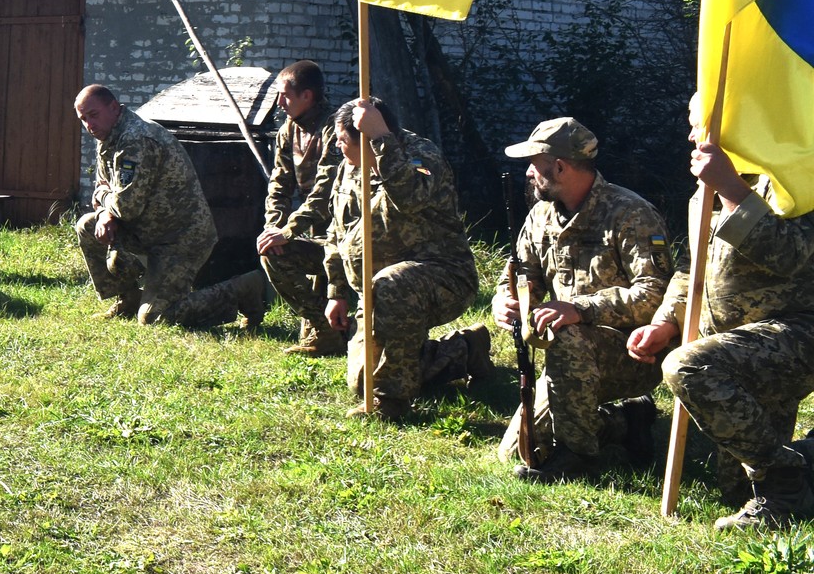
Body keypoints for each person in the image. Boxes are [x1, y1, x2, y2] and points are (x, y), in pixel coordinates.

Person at [628, 97, 814, 530]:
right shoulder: (704, 193)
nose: (692, 137)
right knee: (734, 487)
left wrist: (733, 191)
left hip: (795, 336)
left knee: (688, 366)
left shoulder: (796, 181)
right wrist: (665, 320)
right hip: (736, 344)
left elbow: (791, 257)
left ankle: (783, 479)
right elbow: (696, 271)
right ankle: (799, 469)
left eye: (701, 127)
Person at [493, 118, 671, 481]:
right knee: (515, 451)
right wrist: (506, 299)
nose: (529, 173)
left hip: (631, 353)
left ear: (559, 166)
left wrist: (579, 309)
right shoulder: (541, 215)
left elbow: (655, 292)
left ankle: (579, 457)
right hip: (568, 360)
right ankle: (626, 422)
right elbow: (520, 274)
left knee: (568, 335)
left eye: (535, 164)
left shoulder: (630, 213)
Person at [321, 96, 486, 420]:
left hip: (441, 276)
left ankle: (391, 403)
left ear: (369, 137)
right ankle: (462, 350)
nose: (338, 147)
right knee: (360, 382)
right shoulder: (349, 168)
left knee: (390, 286)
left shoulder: (421, 157)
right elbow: (336, 231)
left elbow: (408, 198)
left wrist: (381, 141)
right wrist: (337, 291)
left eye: (343, 140)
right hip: (374, 292)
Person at [74, 84, 267, 327]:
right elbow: (103, 186)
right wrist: (103, 213)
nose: (89, 125)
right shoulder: (109, 136)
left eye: (93, 115)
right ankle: (129, 298)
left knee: (156, 318)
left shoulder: (135, 140)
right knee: (87, 225)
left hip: (178, 239)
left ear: (114, 107)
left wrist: (104, 205)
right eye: (83, 119)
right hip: (145, 231)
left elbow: (125, 207)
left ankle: (242, 289)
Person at [255, 60, 344, 356]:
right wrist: (274, 228)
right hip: (316, 232)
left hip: (347, 235)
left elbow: (325, 190)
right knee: (271, 251)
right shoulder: (288, 131)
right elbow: (279, 188)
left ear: (307, 96)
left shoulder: (336, 129)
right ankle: (325, 328)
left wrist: (290, 231)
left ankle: (333, 329)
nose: (280, 103)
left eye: (286, 96)